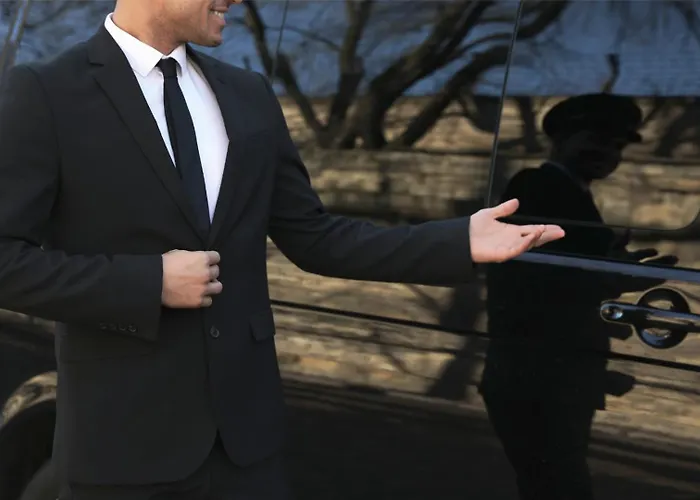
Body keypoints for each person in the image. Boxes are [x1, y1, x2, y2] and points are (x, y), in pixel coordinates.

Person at [0, 1, 564, 499]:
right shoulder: (46, 91)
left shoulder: (247, 94)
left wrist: (456, 240)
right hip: (122, 441)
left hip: (245, 449)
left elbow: (316, 236)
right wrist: (150, 283)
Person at [480, 93, 673, 500]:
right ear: (561, 140)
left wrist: (612, 268)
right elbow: (529, 278)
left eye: (616, 146)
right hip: (535, 376)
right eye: (595, 140)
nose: (607, 153)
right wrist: (611, 275)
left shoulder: (573, 194)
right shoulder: (536, 186)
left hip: (555, 374)